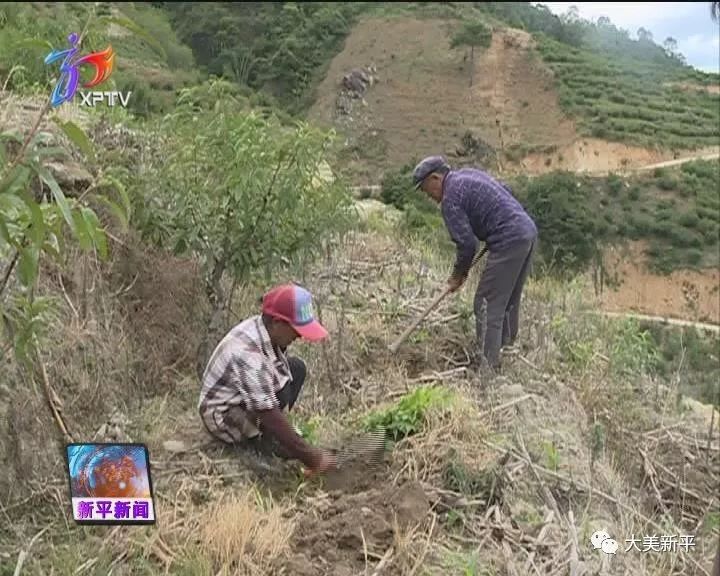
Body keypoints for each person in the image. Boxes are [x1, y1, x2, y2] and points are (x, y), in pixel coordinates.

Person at [412, 155, 538, 372]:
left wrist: (457, 275)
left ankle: (487, 371)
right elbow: (505, 190)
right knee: (507, 300)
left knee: (485, 303)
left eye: (425, 190)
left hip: (508, 238)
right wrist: (496, 224)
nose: (428, 196)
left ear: (435, 178)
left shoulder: (450, 199)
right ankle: (505, 350)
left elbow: (467, 244)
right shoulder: (468, 175)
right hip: (527, 230)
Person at [198, 283, 336, 476]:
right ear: (277, 323)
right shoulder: (247, 355)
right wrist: (313, 458)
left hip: (244, 395)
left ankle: (270, 438)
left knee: (296, 369)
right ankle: (256, 445)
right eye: (296, 329)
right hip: (224, 413)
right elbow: (268, 412)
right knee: (274, 411)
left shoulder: (266, 329)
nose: (299, 336)